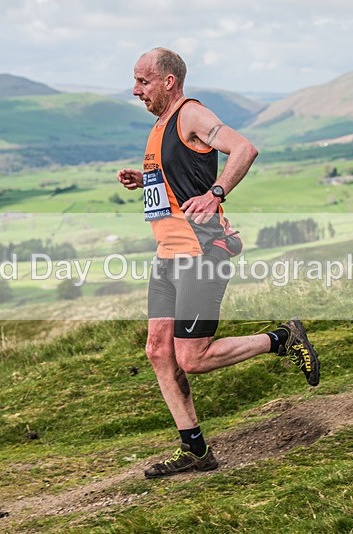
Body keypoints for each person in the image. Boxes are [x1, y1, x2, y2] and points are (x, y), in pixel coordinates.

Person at [116, 48, 320, 479]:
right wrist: (146, 180)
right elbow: (179, 176)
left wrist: (217, 192)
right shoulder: (159, 124)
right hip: (169, 253)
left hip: (202, 250)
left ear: (169, 81)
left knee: (192, 357)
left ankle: (283, 339)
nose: (135, 90)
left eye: (143, 81)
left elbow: (244, 148)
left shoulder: (191, 113)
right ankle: (195, 451)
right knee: (157, 350)